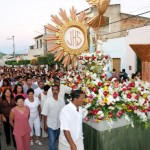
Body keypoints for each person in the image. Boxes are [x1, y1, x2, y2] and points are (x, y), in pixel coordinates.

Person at [42, 85, 65, 150]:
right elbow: (45, 113)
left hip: (58, 124)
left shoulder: (61, 100)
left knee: (55, 139)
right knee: (52, 141)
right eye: (53, 90)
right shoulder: (48, 101)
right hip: (50, 124)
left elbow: (63, 112)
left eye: (56, 90)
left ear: (59, 91)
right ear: (52, 91)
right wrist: (45, 125)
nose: (55, 91)